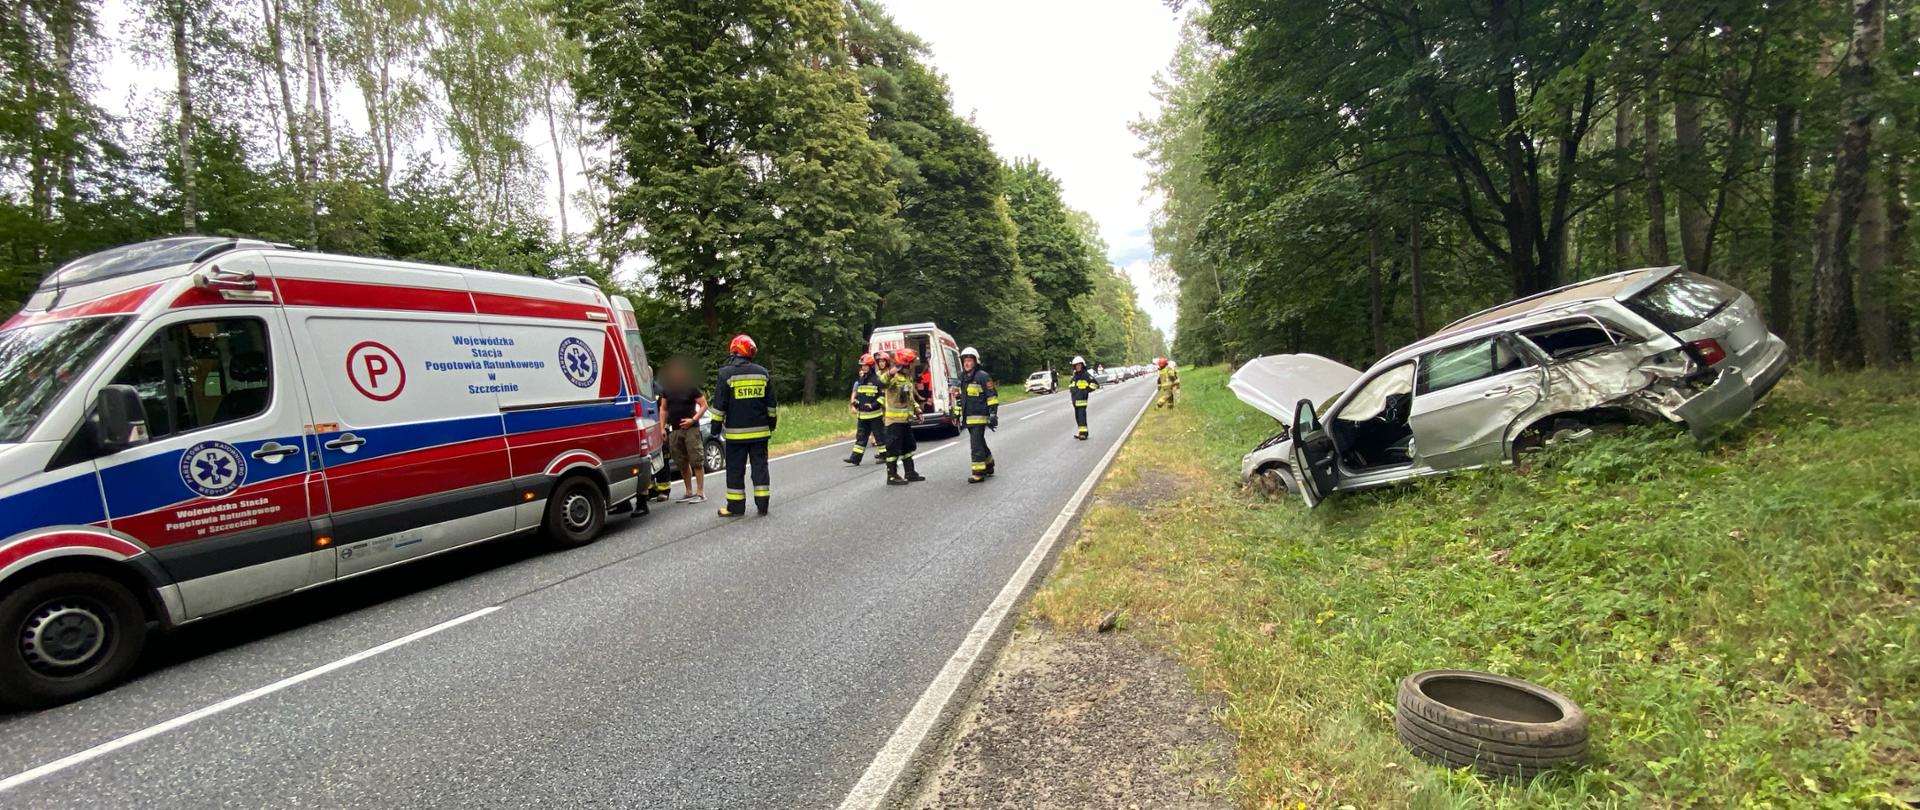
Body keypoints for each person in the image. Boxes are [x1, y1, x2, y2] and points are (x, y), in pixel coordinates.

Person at [711, 334, 776, 517]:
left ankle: (736, 507)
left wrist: (715, 430)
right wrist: (771, 424)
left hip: (736, 435)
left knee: (735, 471)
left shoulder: (726, 374)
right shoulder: (763, 373)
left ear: (734, 351)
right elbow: (771, 404)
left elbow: (719, 405)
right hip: (760, 434)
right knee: (760, 469)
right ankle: (763, 506)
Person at [659, 357, 708, 503]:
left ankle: (700, 493)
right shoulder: (667, 390)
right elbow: (663, 409)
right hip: (675, 430)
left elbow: (704, 405)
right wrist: (662, 428)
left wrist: (693, 419)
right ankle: (688, 492)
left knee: (696, 460)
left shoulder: (691, 388)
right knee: (681, 462)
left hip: (691, 429)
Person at [878, 348, 926, 485]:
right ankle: (892, 475)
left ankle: (910, 472)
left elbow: (909, 398)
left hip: (905, 420)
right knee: (893, 448)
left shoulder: (907, 378)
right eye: (911, 363)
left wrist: (917, 411)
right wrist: (890, 373)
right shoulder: (894, 376)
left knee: (907, 447)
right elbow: (881, 383)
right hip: (894, 421)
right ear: (905, 363)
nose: (913, 366)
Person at [952, 346, 999, 483]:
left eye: (969, 361)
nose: (966, 363)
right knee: (980, 443)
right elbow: (960, 399)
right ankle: (989, 465)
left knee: (976, 446)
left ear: (975, 362)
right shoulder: (962, 378)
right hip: (968, 418)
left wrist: (993, 414)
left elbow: (992, 396)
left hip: (980, 418)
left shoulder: (983, 376)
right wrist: (956, 415)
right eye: (964, 361)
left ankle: (978, 473)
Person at [845, 353, 885, 466]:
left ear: (871, 366)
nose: (863, 367)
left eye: (865, 365)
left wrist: (873, 405)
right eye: (862, 366)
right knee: (860, 438)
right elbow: (860, 395)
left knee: (879, 437)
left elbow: (883, 397)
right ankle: (855, 458)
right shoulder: (862, 380)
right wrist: (856, 403)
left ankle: (884, 456)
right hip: (862, 416)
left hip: (875, 416)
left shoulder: (877, 380)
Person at [1067, 355, 1098, 440]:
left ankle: (1084, 434)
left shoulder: (1086, 375)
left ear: (1082, 365)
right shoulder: (1075, 376)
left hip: (1082, 401)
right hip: (1075, 400)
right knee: (1078, 417)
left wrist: (1086, 391)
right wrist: (1072, 391)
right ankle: (1081, 432)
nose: (1077, 367)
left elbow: (1095, 384)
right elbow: (1072, 386)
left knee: (1081, 417)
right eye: (1076, 365)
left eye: (1079, 365)